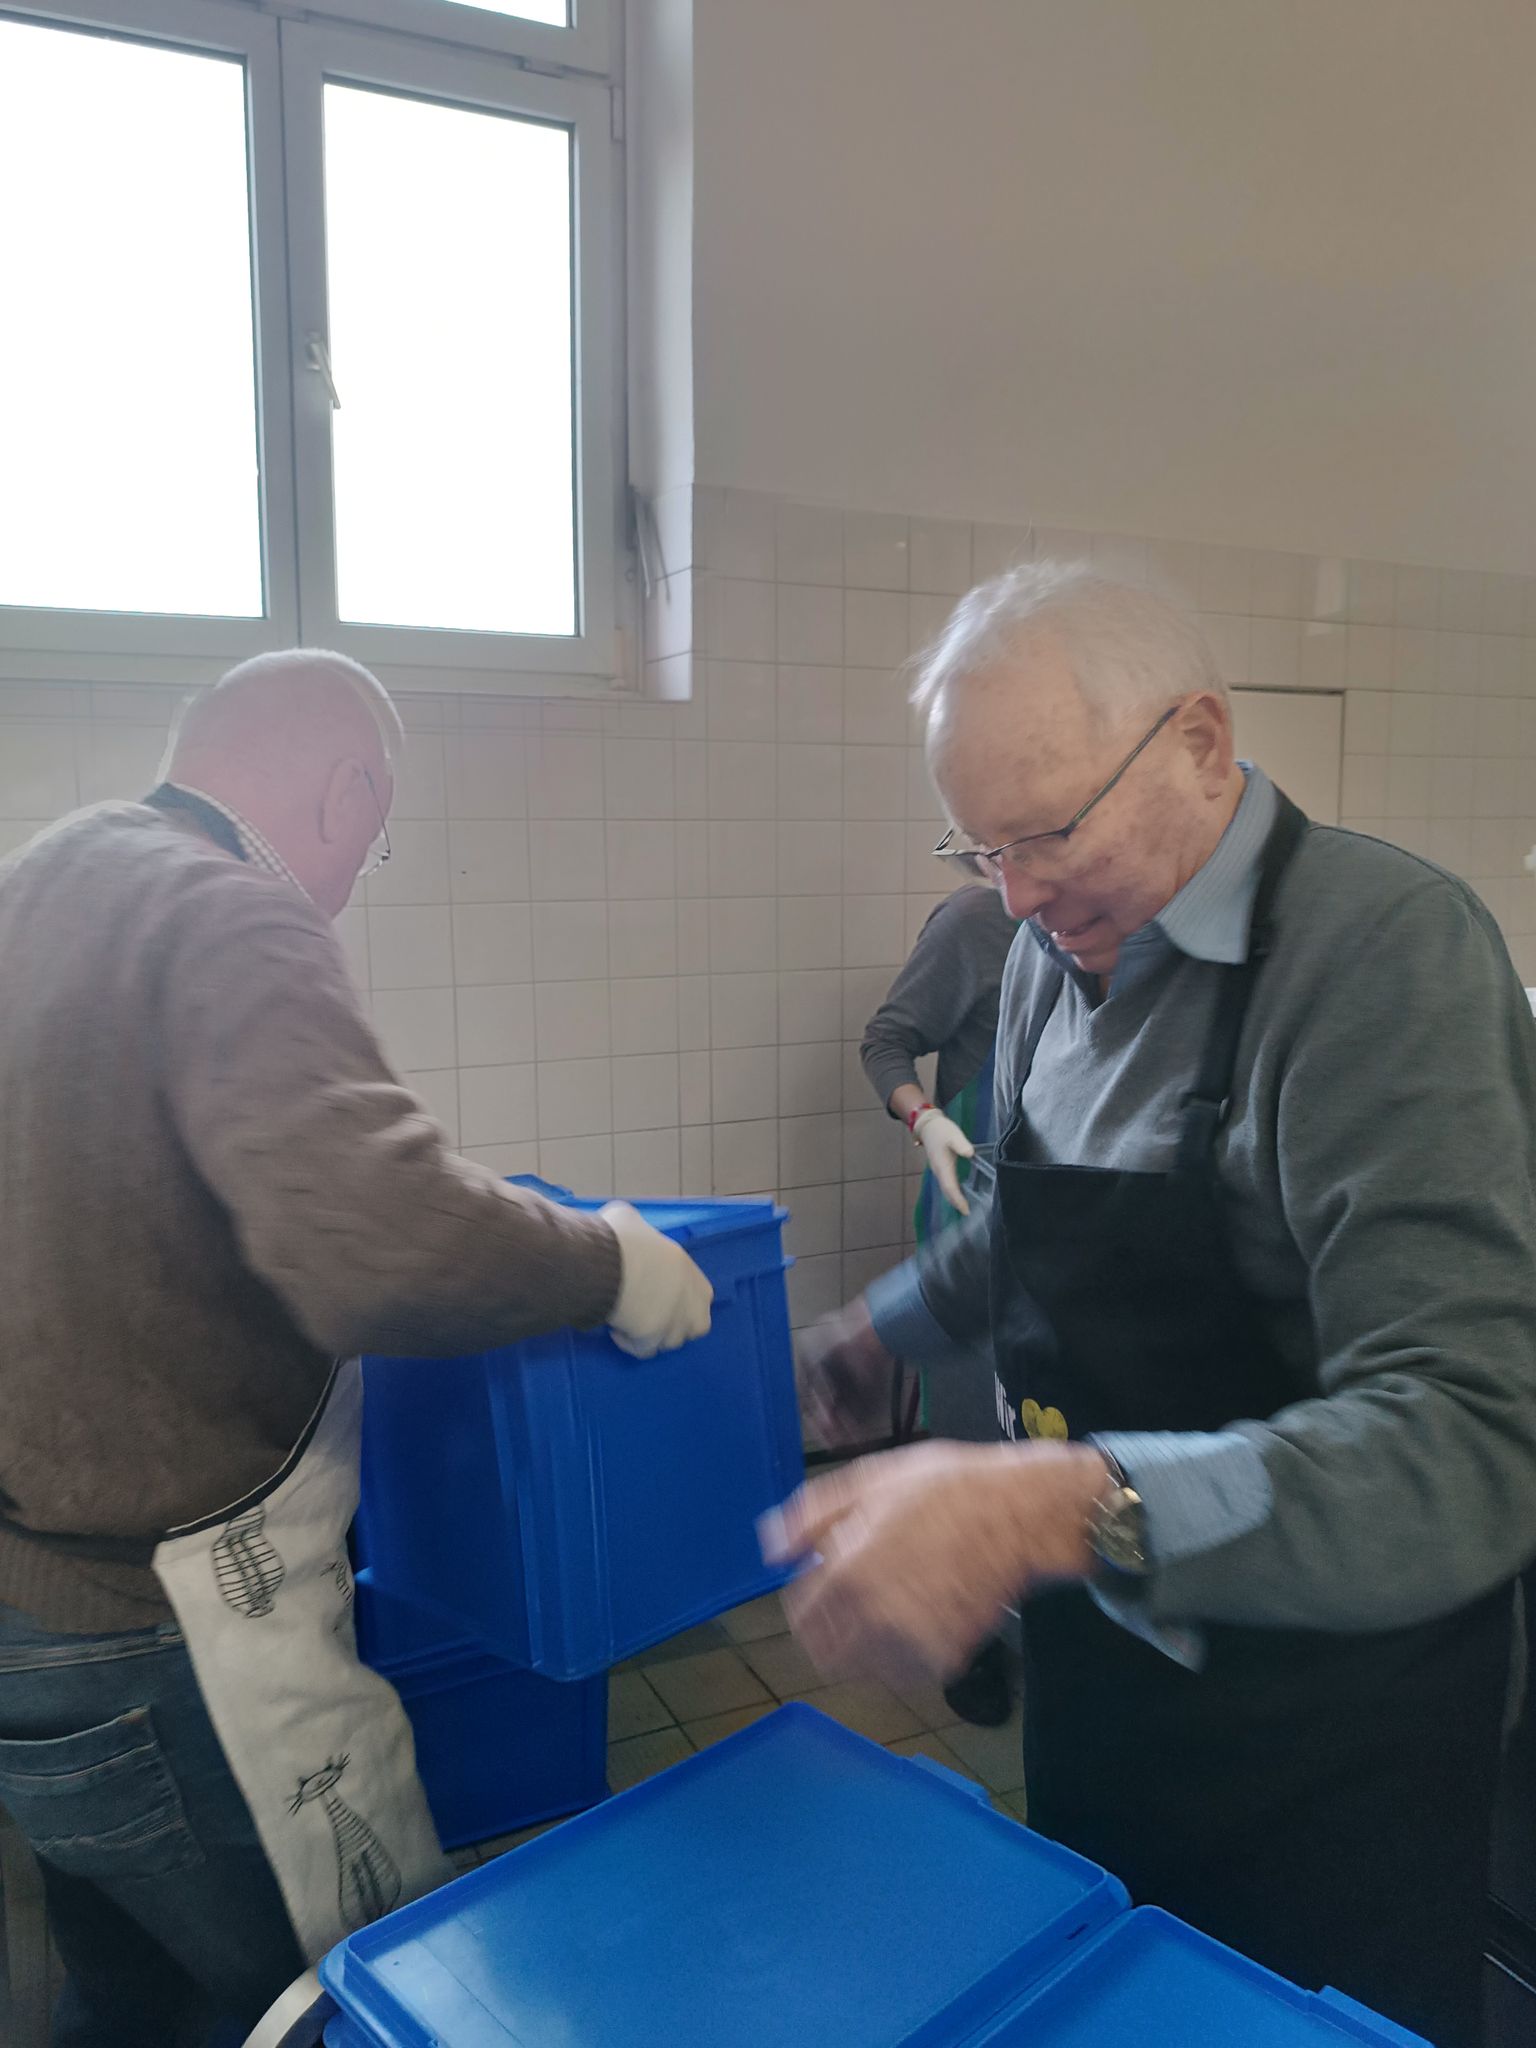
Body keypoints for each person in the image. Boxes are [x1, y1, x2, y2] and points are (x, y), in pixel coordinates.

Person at [766, 562, 1536, 2048]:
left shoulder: (1385, 956)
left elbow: (1469, 1442)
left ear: (1199, 740)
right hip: (1110, 1681)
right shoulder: (1051, 955)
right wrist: (881, 1334)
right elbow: (1031, 1226)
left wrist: (1063, 1507)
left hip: (1332, 1739)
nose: (1014, 893)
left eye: (1048, 832)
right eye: (982, 847)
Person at [0, 650, 712, 2047]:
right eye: (369, 847)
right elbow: (379, 1239)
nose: (345, 887)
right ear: (348, 790)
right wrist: (611, 1262)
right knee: (364, 2000)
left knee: (134, 2001)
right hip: (183, 1636)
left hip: (32, 1628)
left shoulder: (40, 882)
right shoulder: (227, 908)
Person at [852, 882, 1016, 1724]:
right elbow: (886, 1042)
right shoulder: (976, 923)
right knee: (969, 1439)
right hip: (971, 1207)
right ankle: (968, 1635)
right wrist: (924, 1118)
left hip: (1068, 1220)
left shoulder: (1138, 927)